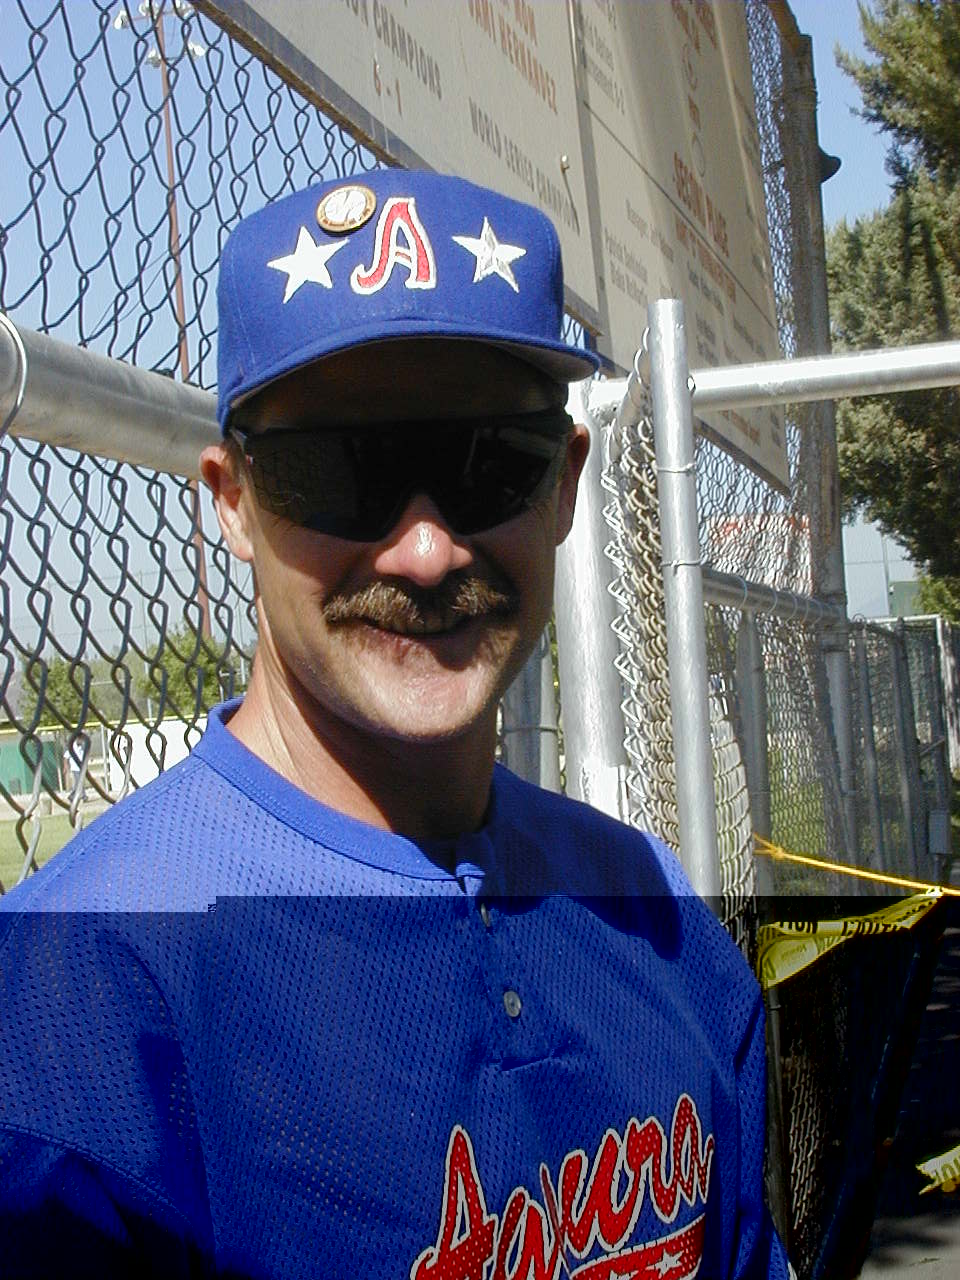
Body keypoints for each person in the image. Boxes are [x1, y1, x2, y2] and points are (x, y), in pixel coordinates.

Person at [0, 170, 790, 1278]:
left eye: (490, 463)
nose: (425, 553)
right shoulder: (73, 994)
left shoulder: (652, 908)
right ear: (232, 500)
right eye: (341, 470)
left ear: (564, 484)